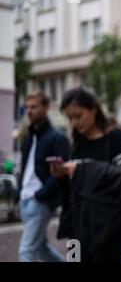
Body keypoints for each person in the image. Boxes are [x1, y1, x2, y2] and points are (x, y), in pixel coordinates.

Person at [51, 87, 121, 262]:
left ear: (93, 110)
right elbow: (73, 190)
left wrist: (81, 170)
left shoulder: (115, 138)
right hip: (77, 227)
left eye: (78, 115)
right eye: (69, 118)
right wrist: (62, 176)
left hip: (109, 228)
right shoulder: (76, 143)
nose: (74, 122)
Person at [17, 92, 69, 262]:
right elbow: (25, 168)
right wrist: (19, 192)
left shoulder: (57, 137)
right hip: (25, 198)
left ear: (46, 108)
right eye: (26, 108)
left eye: (34, 107)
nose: (29, 111)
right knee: (40, 249)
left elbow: (60, 172)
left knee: (26, 250)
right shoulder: (28, 136)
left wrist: (41, 194)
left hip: (38, 201)